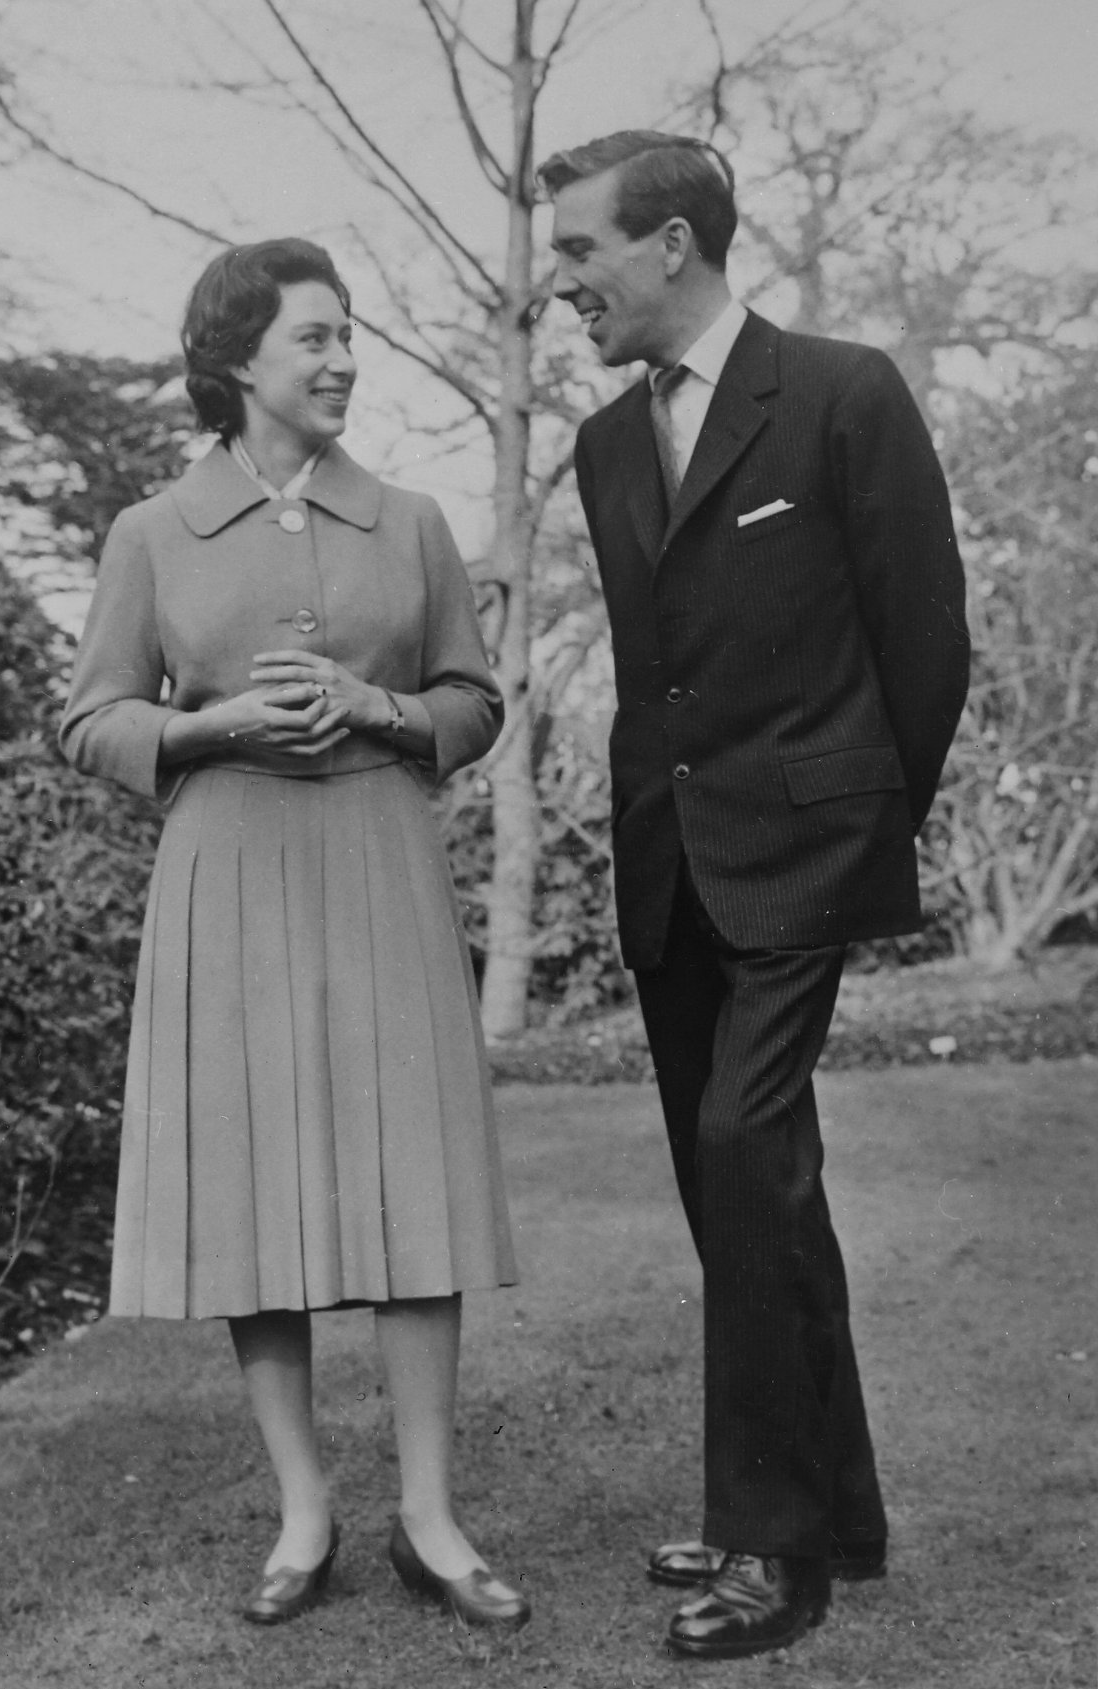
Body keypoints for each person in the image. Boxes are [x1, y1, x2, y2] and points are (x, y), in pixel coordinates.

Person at [537, 132, 969, 1661]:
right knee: (744, 1186)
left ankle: (772, 1550)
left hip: (806, 854)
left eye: (580, 249)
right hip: (670, 860)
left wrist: (858, 823)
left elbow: (927, 642)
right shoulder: (600, 443)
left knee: (744, 1148)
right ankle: (835, 1505)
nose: (561, 280)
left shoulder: (844, 392)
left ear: (671, 244)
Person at [60, 237, 530, 1632]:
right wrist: (210, 726)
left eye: (349, 337)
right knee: (255, 1192)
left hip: (380, 858)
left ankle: (432, 1522)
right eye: (314, 338)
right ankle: (306, 1513)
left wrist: (380, 711)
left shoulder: (413, 521)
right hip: (229, 866)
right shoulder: (152, 532)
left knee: (416, 1180)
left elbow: (473, 701)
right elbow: (89, 715)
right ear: (237, 361)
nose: (343, 361)